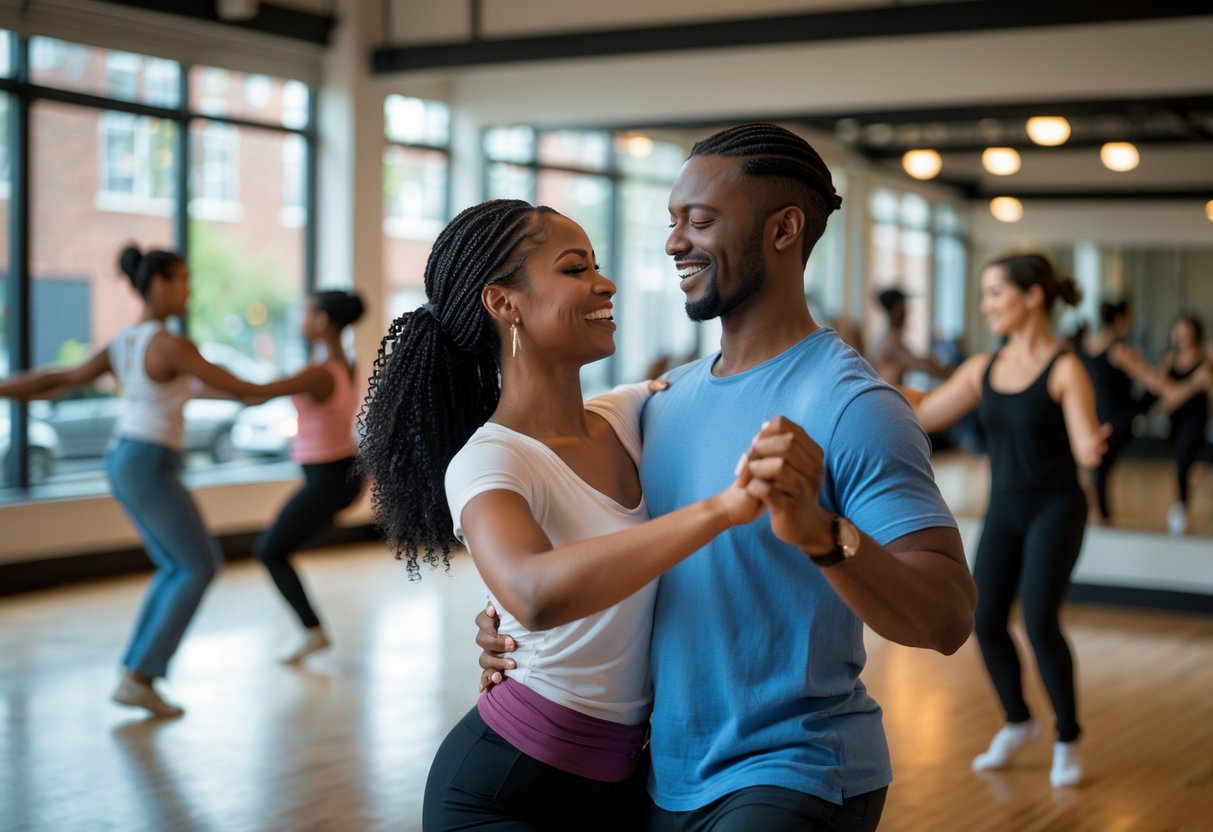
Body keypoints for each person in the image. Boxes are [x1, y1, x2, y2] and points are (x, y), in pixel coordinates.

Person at [477, 124, 977, 831]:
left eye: (700, 221)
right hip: (662, 774)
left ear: (783, 230)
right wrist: (512, 636)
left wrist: (824, 534)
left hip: (795, 770)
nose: (674, 241)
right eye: (672, 221)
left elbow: (948, 618)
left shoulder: (852, 405)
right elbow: (587, 560)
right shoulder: (658, 405)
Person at [356, 199, 765, 830]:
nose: (606, 283)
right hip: (500, 793)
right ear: (504, 303)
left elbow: (761, 382)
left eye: (598, 266)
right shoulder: (488, 461)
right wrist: (720, 511)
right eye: (575, 269)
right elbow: (533, 592)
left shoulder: (632, 415)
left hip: (620, 785)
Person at [0, 244, 311, 717]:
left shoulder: (127, 341)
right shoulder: (168, 343)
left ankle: (136, 674)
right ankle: (141, 676)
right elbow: (239, 386)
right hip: (147, 460)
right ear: (159, 283)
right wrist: (299, 383)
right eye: (183, 280)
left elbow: (56, 378)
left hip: (127, 457)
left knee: (176, 567)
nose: (189, 290)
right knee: (198, 565)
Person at [903, 253, 1109, 788]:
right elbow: (923, 412)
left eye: (995, 293)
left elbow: (1085, 438)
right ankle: (1018, 720)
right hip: (1006, 508)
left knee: (1039, 620)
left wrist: (1091, 446)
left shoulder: (1065, 368)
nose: (986, 305)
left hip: (1056, 507)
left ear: (1032, 297)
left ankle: (1068, 735)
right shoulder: (982, 370)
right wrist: (858, 381)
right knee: (986, 618)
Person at [253, 290, 366, 663]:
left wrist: (194, 384)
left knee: (271, 550)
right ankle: (311, 630)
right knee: (275, 549)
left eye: (306, 311)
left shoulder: (319, 372)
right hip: (339, 475)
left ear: (321, 321)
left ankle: (312, 631)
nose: (301, 319)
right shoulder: (343, 362)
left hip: (331, 478)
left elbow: (255, 394)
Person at [1078, 299, 1167, 524]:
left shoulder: (1088, 346)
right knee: (1100, 469)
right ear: (1120, 319)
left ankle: (1101, 518)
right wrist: (1168, 371)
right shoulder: (1120, 349)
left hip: (1098, 416)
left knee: (1099, 469)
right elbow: (1152, 381)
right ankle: (1102, 518)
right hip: (1118, 418)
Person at [1156, 313, 1209, 535]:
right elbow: (1165, 400)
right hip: (1175, 420)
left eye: (1185, 331)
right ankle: (1183, 503)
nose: (1181, 336)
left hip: (1196, 418)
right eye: (1178, 331)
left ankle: (1182, 508)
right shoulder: (1169, 361)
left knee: (1182, 460)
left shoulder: (1206, 360)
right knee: (1181, 462)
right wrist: (1194, 385)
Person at [868, 287, 953, 386]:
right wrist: (947, 371)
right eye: (903, 306)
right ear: (897, 308)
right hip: (885, 397)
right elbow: (920, 365)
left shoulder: (886, 337)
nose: (906, 311)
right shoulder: (890, 341)